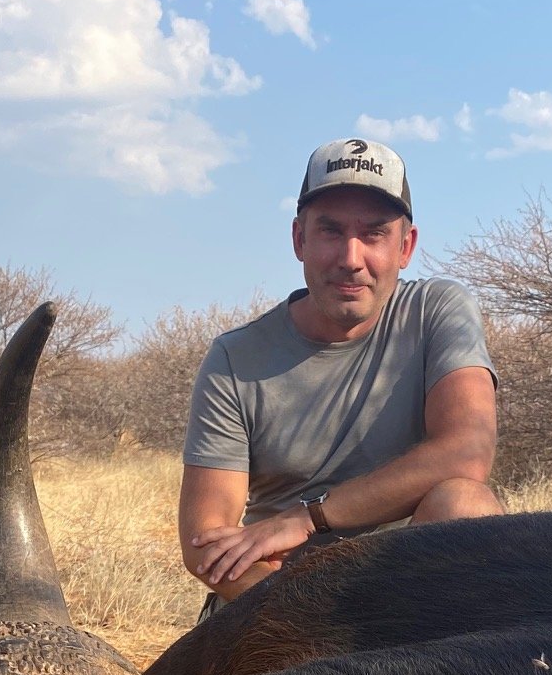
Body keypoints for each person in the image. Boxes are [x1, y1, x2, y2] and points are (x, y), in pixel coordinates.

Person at [179, 137, 502, 613]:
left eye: (374, 234)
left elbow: (468, 451)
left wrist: (309, 518)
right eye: (330, 231)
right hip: (278, 604)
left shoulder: (438, 310)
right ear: (299, 240)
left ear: (406, 247)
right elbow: (206, 541)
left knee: (465, 504)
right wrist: (314, 621)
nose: (351, 258)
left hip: (410, 595)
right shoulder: (235, 358)